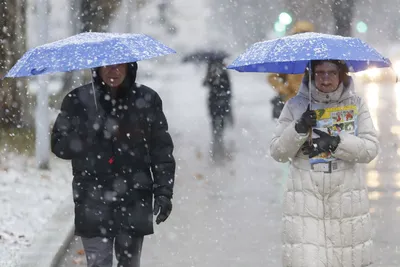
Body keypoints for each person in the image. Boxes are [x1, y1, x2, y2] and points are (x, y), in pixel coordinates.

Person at [51, 62, 175, 267]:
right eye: (107, 66)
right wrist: (88, 132)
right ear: (97, 69)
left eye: (120, 66)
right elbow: (59, 146)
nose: (113, 71)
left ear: (130, 68)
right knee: (98, 261)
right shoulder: (77, 101)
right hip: (92, 199)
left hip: (134, 197)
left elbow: (160, 150)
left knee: (129, 263)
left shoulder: (147, 99)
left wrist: (164, 192)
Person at [270, 60, 379, 267]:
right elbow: (278, 152)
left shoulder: (356, 105)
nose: (326, 78)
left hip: (347, 205)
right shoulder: (295, 106)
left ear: (341, 75)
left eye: (331, 73)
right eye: (320, 73)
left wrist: (337, 143)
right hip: (305, 205)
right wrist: (299, 128)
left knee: (347, 260)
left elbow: (370, 149)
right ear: (311, 75)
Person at [268, 21, 315, 119]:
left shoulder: (317, 57)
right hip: (291, 103)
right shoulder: (288, 56)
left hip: (314, 103)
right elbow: (273, 77)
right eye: (300, 34)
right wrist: (283, 90)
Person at [202, 58, 233, 161]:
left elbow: (228, 88)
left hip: (219, 103)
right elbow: (205, 84)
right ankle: (217, 146)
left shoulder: (222, 72)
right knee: (216, 125)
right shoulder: (212, 72)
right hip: (216, 103)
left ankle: (218, 145)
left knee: (218, 125)